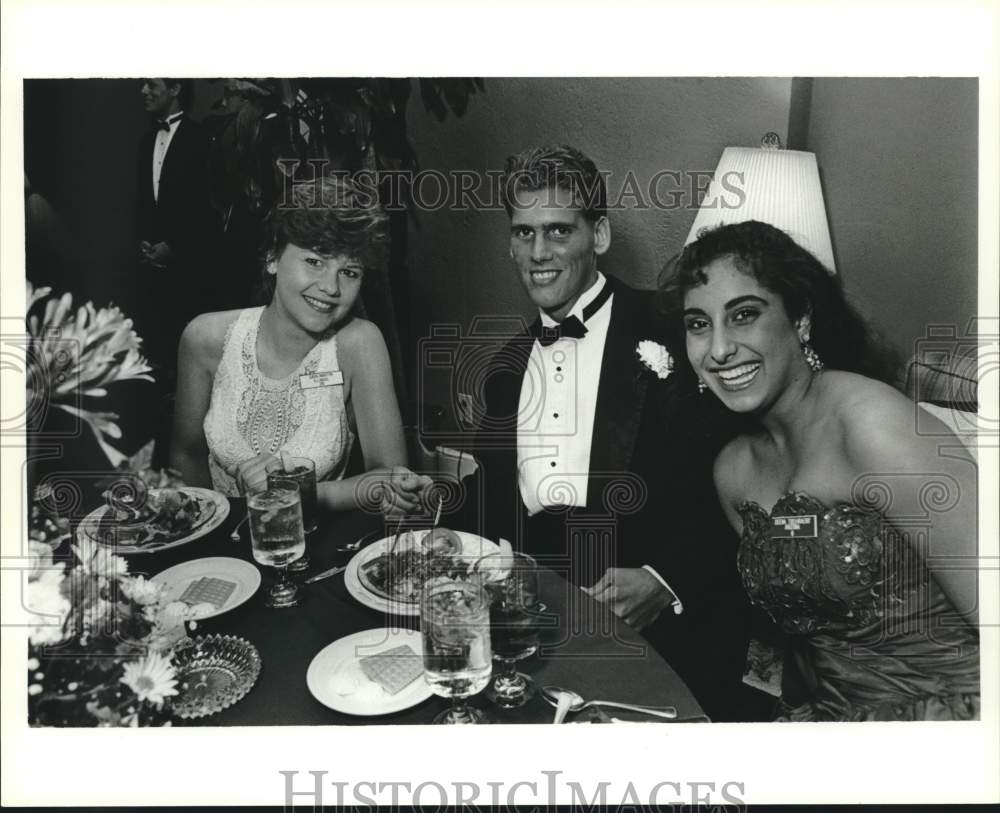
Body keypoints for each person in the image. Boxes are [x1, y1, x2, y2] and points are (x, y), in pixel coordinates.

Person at [467, 144, 751, 720]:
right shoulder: (503, 367)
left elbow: (744, 481)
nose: (538, 253)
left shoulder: (680, 331)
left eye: (557, 231)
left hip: (659, 638)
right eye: (523, 233)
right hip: (530, 638)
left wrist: (664, 580)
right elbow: (496, 509)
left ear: (599, 235)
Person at [660, 219, 980, 721]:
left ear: (801, 317)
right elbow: (795, 645)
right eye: (699, 323)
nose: (719, 350)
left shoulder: (873, 426)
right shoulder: (733, 472)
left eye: (743, 315)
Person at [169, 175, 423, 516]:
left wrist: (301, 493)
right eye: (315, 262)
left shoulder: (360, 344)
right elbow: (186, 455)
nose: (331, 288)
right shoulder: (205, 338)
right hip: (223, 544)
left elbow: (391, 481)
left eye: (350, 272)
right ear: (273, 257)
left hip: (313, 543)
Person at [137, 78, 220, 467]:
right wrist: (147, 245)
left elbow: (212, 210)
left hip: (196, 280)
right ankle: (168, 463)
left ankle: (197, 463)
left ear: (174, 88)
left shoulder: (202, 139)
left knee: (195, 375)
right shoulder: (143, 141)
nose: (143, 91)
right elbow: (146, 205)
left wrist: (178, 250)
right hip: (154, 279)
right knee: (162, 370)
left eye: (150, 84)